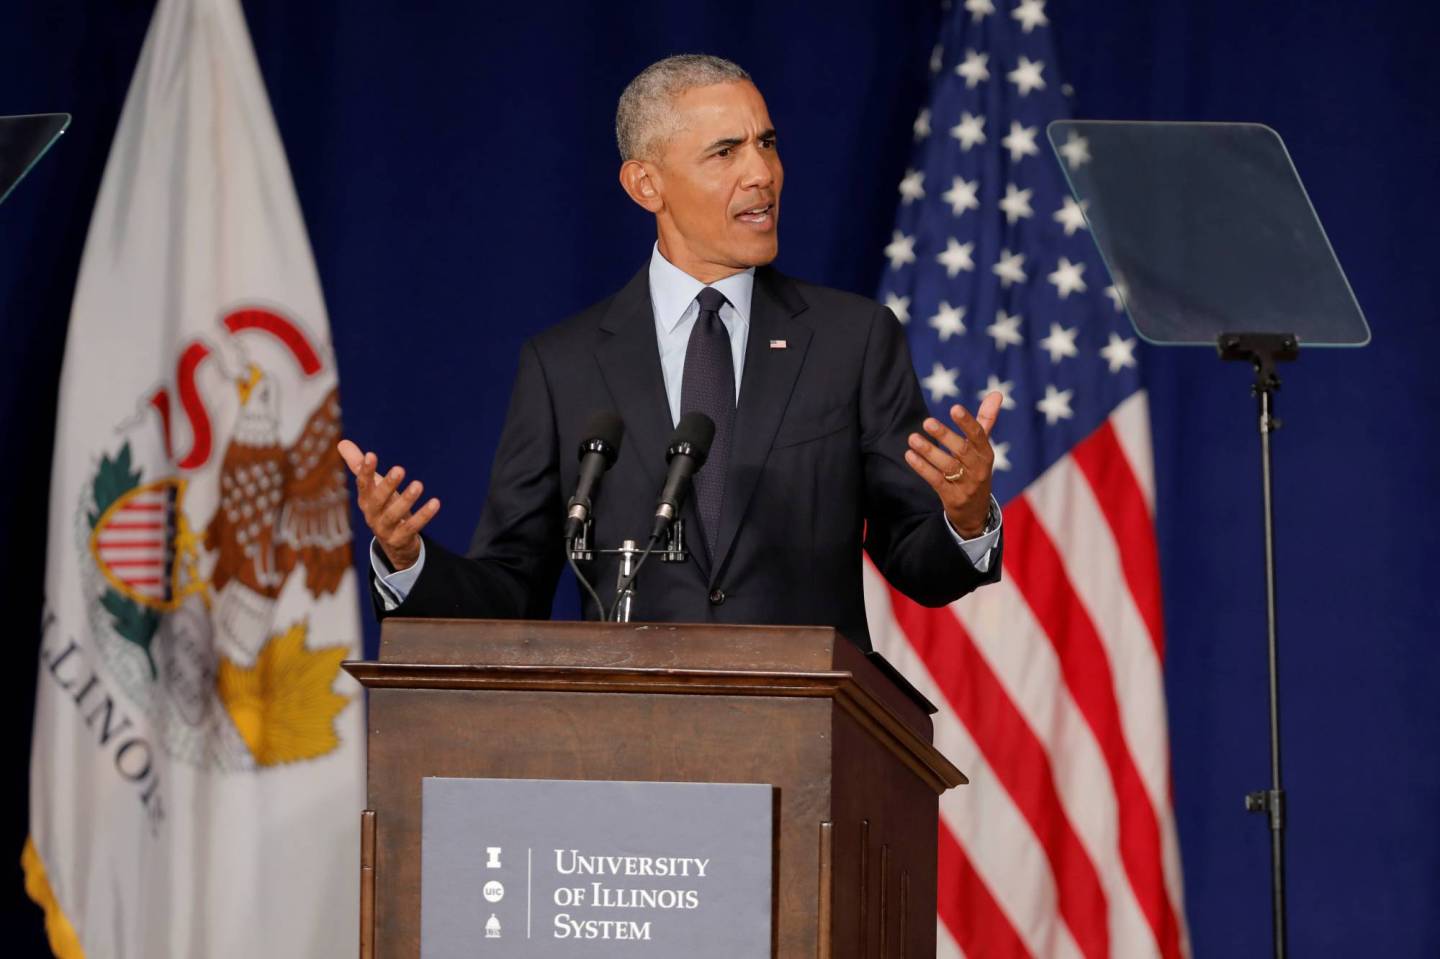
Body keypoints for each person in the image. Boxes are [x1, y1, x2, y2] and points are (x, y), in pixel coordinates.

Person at [336, 54, 1005, 651]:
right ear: (646, 185)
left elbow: (922, 563)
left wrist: (965, 514)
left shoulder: (851, 339)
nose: (762, 174)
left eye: (766, 143)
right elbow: (512, 590)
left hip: (814, 745)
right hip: (631, 757)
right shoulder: (563, 366)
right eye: (725, 153)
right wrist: (406, 558)